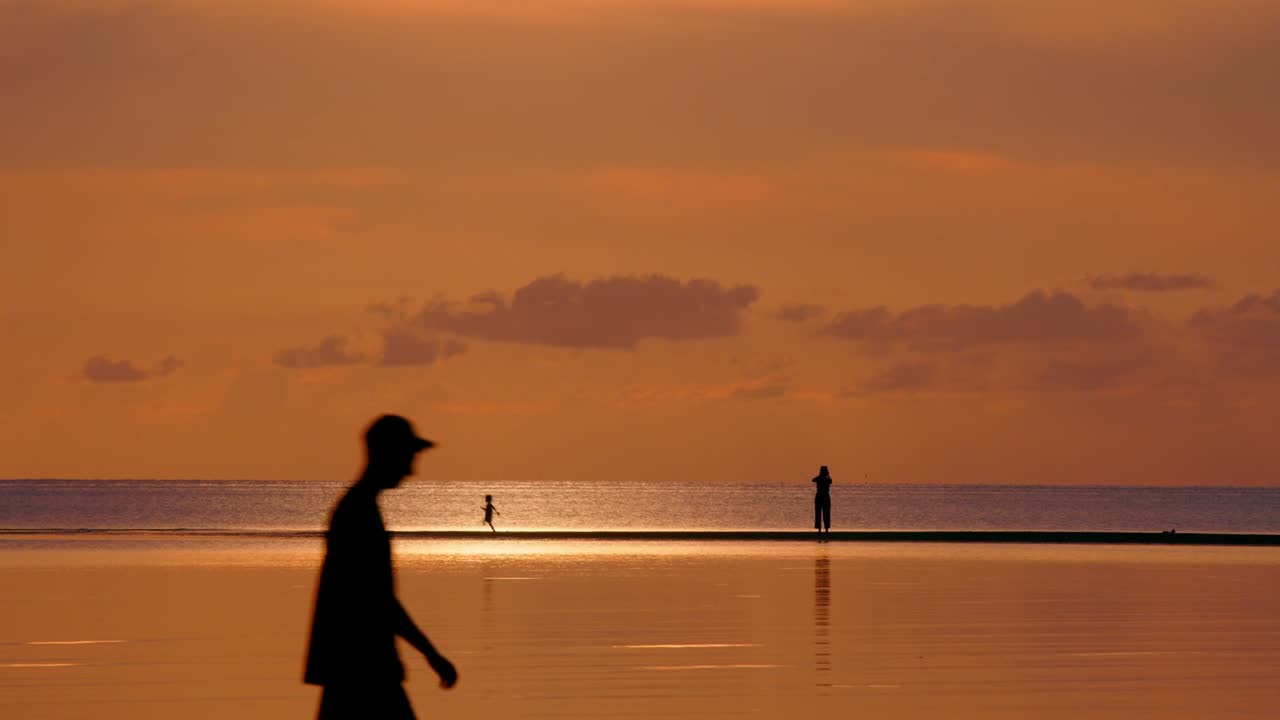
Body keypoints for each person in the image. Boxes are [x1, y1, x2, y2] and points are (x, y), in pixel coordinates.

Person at [304, 414, 458, 719]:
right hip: (363, 669)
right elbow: (377, 600)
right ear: (387, 453)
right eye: (407, 455)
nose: (412, 469)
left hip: (353, 667)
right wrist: (430, 653)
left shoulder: (358, 508)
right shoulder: (358, 513)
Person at [812, 465, 833, 539]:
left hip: (821, 496)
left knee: (820, 513)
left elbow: (813, 479)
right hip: (824, 497)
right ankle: (825, 530)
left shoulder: (821, 478)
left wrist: (822, 476)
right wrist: (827, 476)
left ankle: (821, 530)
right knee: (824, 513)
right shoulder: (826, 479)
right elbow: (813, 480)